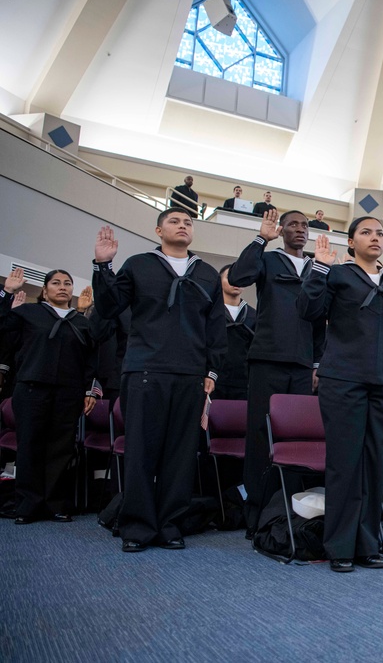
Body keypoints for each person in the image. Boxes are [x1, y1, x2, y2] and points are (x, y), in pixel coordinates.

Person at [93, 210, 226, 552]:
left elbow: (215, 329)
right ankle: (136, 527)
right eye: (174, 221)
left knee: (181, 455)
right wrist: (103, 266)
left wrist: (211, 371)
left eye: (188, 223)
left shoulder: (208, 273)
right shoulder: (139, 264)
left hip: (191, 375)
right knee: (140, 451)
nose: (183, 226)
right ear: (158, 230)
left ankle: (169, 524)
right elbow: (109, 307)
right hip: (145, 370)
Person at [298, 218, 383, 572]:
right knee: (345, 463)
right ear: (351, 242)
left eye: (380, 233)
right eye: (366, 232)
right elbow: (308, 310)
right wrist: (319, 267)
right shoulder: (337, 275)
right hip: (343, 380)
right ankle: (340, 546)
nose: (375, 237)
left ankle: (367, 543)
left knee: (375, 464)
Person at [228, 209, 325, 534]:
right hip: (267, 359)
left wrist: (316, 364)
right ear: (281, 229)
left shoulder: (317, 267)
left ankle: (288, 514)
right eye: (293, 224)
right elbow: (238, 276)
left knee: (296, 439)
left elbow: (321, 323)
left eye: (305, 225)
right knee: (261, 436)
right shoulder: (268, 260)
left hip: (301, 365)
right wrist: (260, 239)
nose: (300, 229)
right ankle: (257, 516)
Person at [0, 268, 104, 524]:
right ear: (45, 290)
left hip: (68, 393)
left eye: (67, 283)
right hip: (31, 389)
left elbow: (92, 359)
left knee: (61, 449)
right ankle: (27, 506)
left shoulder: (81, 322)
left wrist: (90, 389)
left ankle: (55, 504)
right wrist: (7, 292)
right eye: (56, 283)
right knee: (30, 446)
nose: (62, 287)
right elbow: (2, 326)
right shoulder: (28, 313)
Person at [213, 264, 256, 401]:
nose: (236, 282)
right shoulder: (211, 311)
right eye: (229, 277)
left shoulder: (253, 315)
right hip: (214, 378)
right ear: (219, 281)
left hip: (243, 382)